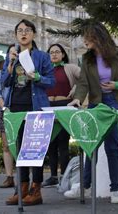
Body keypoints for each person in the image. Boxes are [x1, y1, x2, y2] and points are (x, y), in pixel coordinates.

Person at [66, 22, 118, 204]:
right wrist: (78, 98)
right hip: (95, 104)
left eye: (87, 36)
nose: (84, 40)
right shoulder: (87, 58)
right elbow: (83, 82)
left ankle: (115, 189)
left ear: (98, 37)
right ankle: (86, 186)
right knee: (91, 146)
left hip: (115, 102)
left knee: (112, 147)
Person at [0, 19, 55, 206]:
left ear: (33, 34)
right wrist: (9, 64)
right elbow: (4, 82)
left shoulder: (41, 57)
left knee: (35, 148)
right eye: (20, 31)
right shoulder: (12, 55)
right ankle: (21, 189)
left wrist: (37, 77)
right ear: (16, 35)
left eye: (27, 30)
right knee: (20, 148)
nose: (23, 33)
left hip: (35, 105)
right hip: (15, 106)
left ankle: (36, 190)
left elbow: (51, 82)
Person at [42, 43, 80, 187]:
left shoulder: (70, 68)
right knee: (50, 143)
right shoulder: (45, 70)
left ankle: (64, 176)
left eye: (57, 52)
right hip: (47, 107)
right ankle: (53, 177)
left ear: (63, 54)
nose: (54, 54)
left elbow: (85, 78)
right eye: (51, 52)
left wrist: (76, 87)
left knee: (63, 143)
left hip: (65, 107)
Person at [0, 44, 16, 189]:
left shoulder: (24, 71)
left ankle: (24, 178)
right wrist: (4, 108)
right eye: (11, 53)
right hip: (4, 110)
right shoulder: (0, 73)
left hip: (21, 109)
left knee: (20, 145)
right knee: (6, 145)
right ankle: (9, 177)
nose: (14, 55)